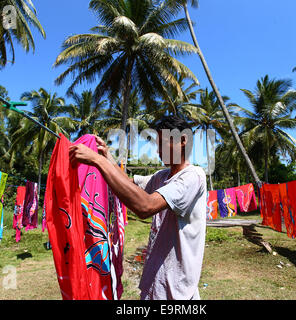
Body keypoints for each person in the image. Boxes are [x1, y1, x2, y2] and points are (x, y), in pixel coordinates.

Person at [69, 115, 207, 300]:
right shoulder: (162, 176)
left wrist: (97, 161)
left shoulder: (193, 176)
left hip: (177, 292)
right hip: (156, 283)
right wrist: (106, 155)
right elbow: (127, 183)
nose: (158, 150)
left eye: (163, 144)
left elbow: (145, 206)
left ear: (183, 141)